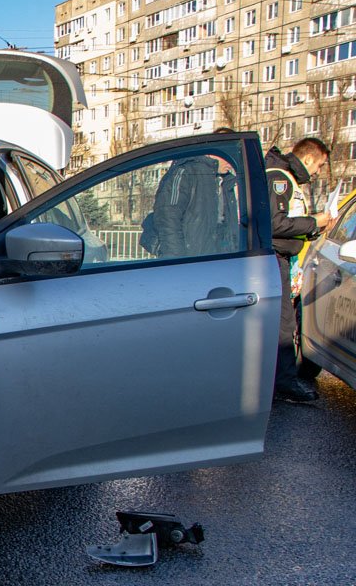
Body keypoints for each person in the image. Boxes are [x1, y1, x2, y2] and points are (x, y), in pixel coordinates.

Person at [265, 137, 333, 402]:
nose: (317, 173)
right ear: (308, 158)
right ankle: (284, 385)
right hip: (274, 259)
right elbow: (275, 224)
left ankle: (279, 382)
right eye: (319, 166)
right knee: (284, 324)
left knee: (283, 322)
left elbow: (287, 224)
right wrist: (312, 221)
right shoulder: (280, 178)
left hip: (279, 258)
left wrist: (314, 229)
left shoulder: (286, 176)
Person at [142, 128, 241, 258]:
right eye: (227, 154)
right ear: (214, 150)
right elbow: (168, 218)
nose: (230, 161)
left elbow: (226, 228)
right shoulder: (187, 172)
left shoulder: (226, 181)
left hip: (214, 261)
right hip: (189, 262)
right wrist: (177, 260)